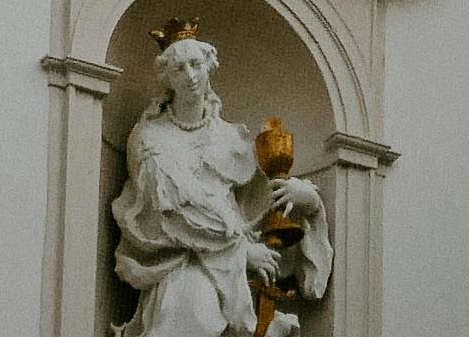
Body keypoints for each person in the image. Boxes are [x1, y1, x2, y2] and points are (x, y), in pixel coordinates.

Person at [111, 22, 332, 335]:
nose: (190, 76)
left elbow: (259, 209)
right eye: (179, 68)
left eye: (196, 64)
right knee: (193, 310)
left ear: (209, 66)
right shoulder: (150, 138)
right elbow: (169, 214)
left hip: (238, 262)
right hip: (184, 262)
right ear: (168, 78)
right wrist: (240, 252)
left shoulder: (232, 139)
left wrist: (306, 200)